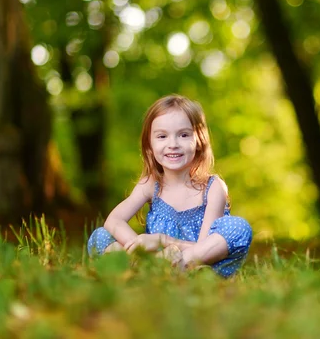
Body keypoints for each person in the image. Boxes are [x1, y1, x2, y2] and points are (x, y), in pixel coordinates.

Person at [87, 94, 252, 278]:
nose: (172, 144)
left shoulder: (212, 188)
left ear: (199, 141)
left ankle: (160, 270)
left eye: (183, 135)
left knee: (239, 227)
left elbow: (204, 249)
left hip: (200, 264)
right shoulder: (151, 184)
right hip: (157, 258)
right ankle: (152, 266)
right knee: (99, 237)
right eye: (162, 136)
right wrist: (138, 245)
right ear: (149, 145)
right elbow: (114, 221)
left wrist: (162, 241)